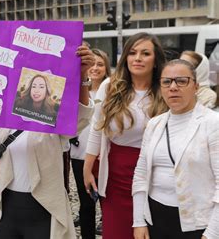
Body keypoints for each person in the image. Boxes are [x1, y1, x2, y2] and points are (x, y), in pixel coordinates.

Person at [0, 44, 95, 239]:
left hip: (43, 207)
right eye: (33, 84)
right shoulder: (6, 116)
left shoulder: (54, 118)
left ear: (49, 90)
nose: (37, 89)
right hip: (8, 206)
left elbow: (81, 117)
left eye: (42, 85)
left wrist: (83, 77)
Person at [83, 33, 168, 239]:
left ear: (155, 60)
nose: (137, 58)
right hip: (116, 175)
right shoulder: (110, 86)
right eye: (132, 53)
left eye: (145, 53)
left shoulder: (166, 89)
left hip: (156, 173)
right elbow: (97, 128)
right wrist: (87, 167)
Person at [132, 59, 219, 239]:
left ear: (195, 86)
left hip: (197, 222)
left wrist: (212, 233)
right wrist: (139, 220)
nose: (173, 87)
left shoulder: (212, 123)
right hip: (156, 217)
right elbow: (141, 173)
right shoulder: (155, 124)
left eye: (181, 81)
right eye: (167, 81)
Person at [70, 48, 110, 239]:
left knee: (106, 203)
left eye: (100, 64)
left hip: (104, 157)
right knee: (86, 204)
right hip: (79, 155)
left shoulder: (112, 90)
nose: (95, 68)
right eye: (92, 64)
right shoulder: (75, 89)